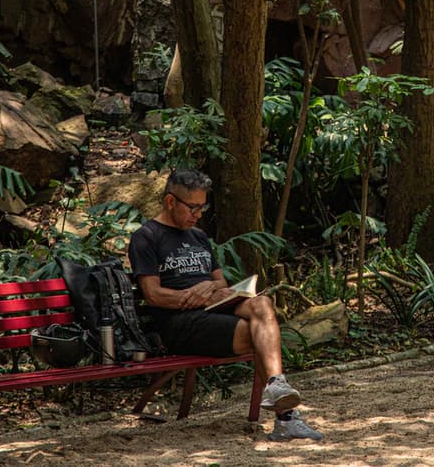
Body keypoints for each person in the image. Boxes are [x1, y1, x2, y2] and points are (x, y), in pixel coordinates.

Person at [128, 169, 323, 441]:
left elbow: (220, 282)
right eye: (193, 207)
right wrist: (193, 296)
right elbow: (153, 295)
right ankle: (287, 418)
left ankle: (277, 386)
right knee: (256, 335)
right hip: (179, 324)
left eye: (202, 207)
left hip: (213, 308)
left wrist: (209, 288)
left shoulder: (198, 237)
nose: (198, 214)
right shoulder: (146, 237)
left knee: (262, 303)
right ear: (170, 202)